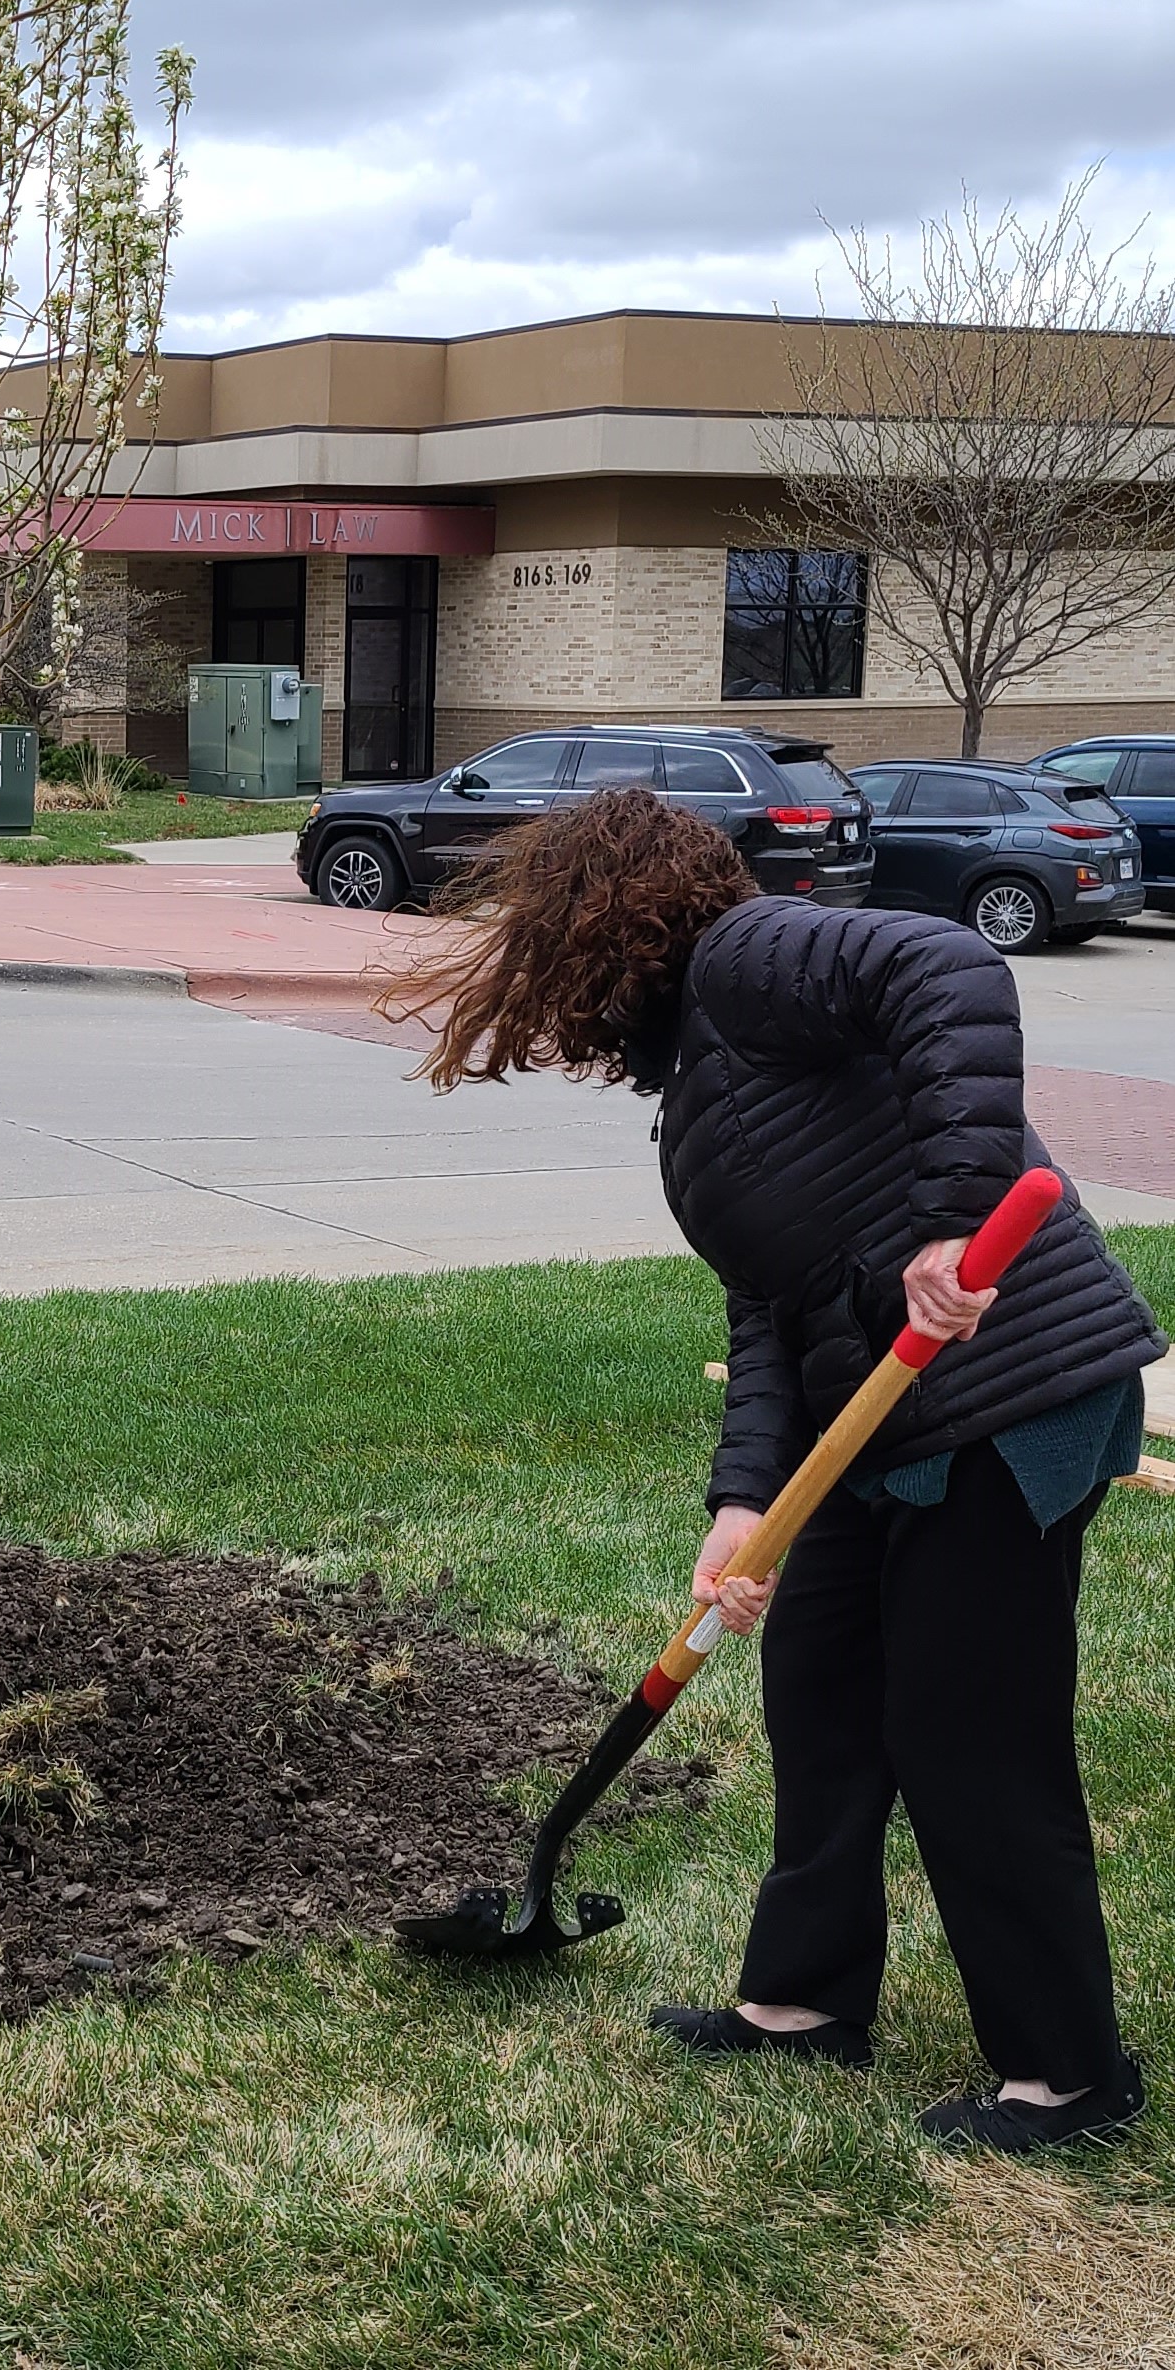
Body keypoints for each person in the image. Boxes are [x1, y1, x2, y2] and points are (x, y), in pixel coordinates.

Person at [407, 786, 1162, 2152]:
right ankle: (801, 2003)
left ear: (605, 916)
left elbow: (949, 964)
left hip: (1004, 1390)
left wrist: (948, 1217)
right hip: (878, 1425)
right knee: (820, 1697)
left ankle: (1068, 2074)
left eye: (543, 929)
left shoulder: (746, 960)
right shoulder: (700, 1063)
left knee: (965, 1729)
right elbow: (766, 1310)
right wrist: (741, 1503)